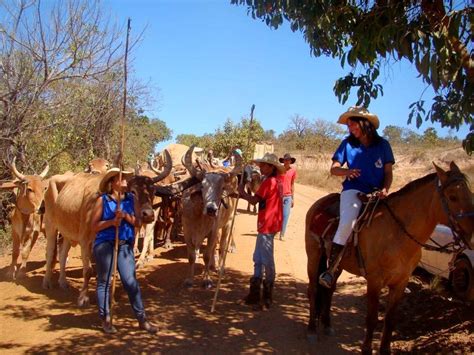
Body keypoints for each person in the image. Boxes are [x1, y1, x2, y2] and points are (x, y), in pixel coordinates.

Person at [319, 106, 394, 289]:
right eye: (348, 125)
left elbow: (388, 172)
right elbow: (334, 169)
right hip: (354, 190)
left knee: (395, 221)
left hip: (377, 192)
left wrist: (385, 188)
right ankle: (332, 270)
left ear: (364, 123)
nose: (349, 128)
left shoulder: (383, 145)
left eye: (352, 124)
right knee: (347, 222)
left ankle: (395, 271)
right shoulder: (347, 144)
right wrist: (347, 171)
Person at [91, 168, 158, 334]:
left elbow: (137, 223)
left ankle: (142, 320)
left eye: (126, 178)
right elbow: (93, 226)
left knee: (130, 282)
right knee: (104, 282)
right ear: (112, 183)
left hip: (125, 245)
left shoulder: (131, 199)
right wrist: (112, 221)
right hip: (105, 243)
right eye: (121, 178)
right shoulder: (103, 200)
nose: (126, 181)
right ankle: (106, 319)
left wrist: (125, 217)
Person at [238, 153, 284, 308]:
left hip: (267, 224)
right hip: (269, 223)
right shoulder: (276, 181)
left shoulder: (269, 182)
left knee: (266, 259)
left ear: (271, 167)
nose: (261, 167)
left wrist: (241, 192)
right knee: (258, 257)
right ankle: (254, 294)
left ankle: (267, 296)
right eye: (261, 164)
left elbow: (254, 200)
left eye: (264, 165)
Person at [278, 153, 297, 241]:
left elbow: (292, 184)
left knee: (286, 215)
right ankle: (276, 230)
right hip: (278, 196)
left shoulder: (293, 171)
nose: (287, 161)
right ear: (283, 161)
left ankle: (282, 234)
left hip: (288, 196)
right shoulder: (279, 170)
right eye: (285, 160)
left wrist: (292, 198)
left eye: (288, 160)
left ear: (290, 161)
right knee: (278, 215)